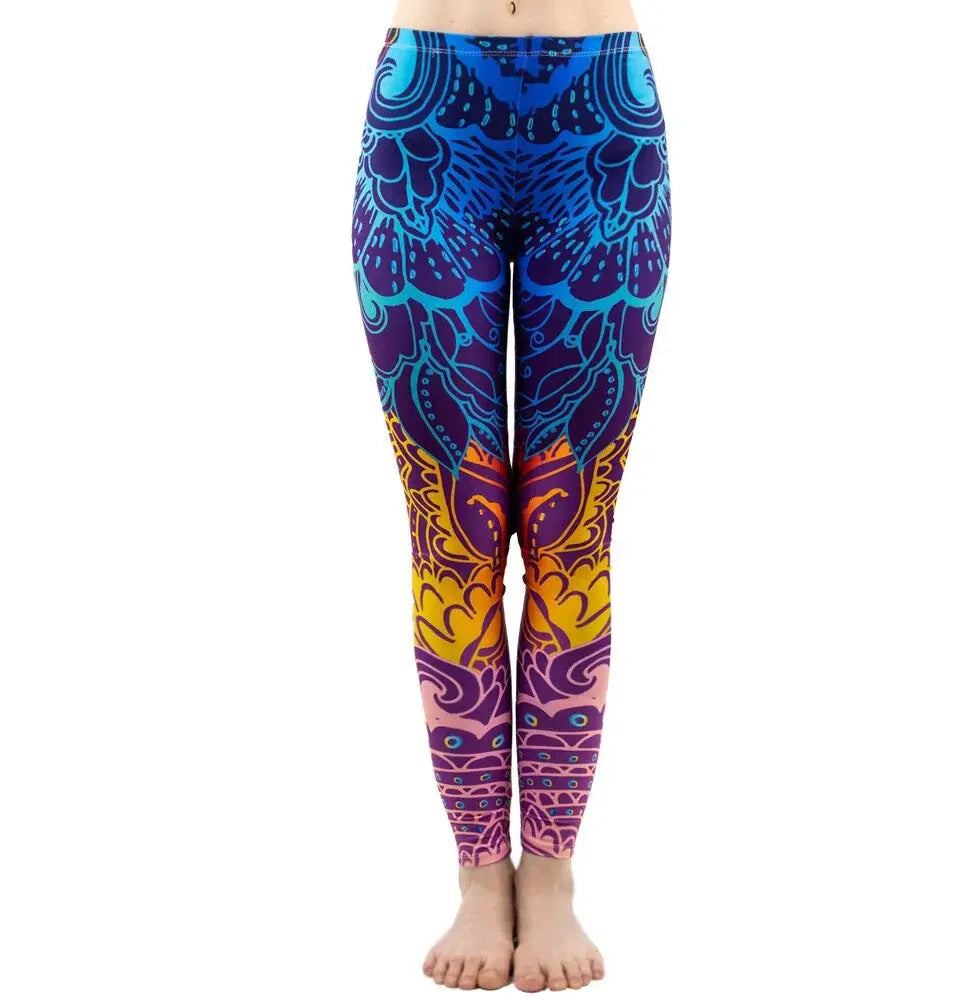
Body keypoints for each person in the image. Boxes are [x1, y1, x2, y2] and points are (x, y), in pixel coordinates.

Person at [351, 0, 670, 989]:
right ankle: (481, 874)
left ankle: (553, 873)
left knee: (572, 529)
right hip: (427, 125)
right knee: (454, 531)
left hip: (605, 123)